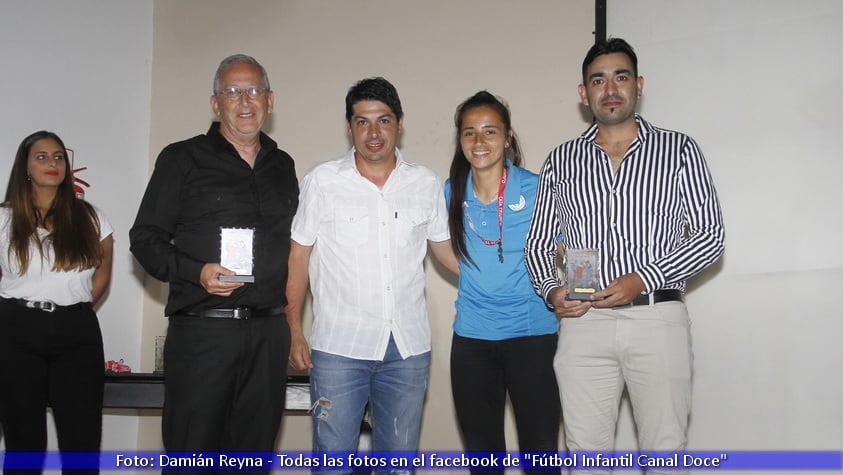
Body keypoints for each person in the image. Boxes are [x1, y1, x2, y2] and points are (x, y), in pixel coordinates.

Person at [525, 38, 725, 474]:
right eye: (598, 80)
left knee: (664, 453)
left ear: (638, 85)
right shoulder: (562, 160)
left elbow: (710, 237)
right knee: (585, 456)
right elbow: (539, 244)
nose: (610, 88)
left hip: (656, 317)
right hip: (584, 322)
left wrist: (643, 277)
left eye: (620, 77)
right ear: (584, 93)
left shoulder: (679, 150)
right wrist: (553, 290)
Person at [129, 54, 298, 465]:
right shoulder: (181, 159)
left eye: (254, 90)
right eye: (232, 91)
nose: (244, 101)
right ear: (215, 103)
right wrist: (195, 272)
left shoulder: (284, 166)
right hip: (203, 334)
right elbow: (145, 239)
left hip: (267, 336)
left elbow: (296, 252)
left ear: (270, 100)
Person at [285, 77, 458, 473]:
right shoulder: (322, 182)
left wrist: (501, 280)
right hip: (338, 349)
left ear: (399, 122)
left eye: (383, 120)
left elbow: (446, 252)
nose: (373, 132)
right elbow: (298, 258)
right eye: (362, 122)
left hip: (407, 351)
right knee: (332, 464)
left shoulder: (425, 183)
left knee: (398, 466)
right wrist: (293, 328)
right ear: (349, 126)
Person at [444, 91, 560, 474]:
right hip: (472, 342)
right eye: (470, 133)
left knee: (540, 455)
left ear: (508, 136)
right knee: (483, 459)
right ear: (460, 140)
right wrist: (478, 277)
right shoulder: (449, 192)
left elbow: (566, 250)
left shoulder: (537, 187)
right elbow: (441, 249)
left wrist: (575, 291)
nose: (480, 142)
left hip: (533, 338)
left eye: (490, 131)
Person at [0, 130, 113, 474]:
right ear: (25, 168)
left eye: (59, 157)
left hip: (76, 332)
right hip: (15, 330)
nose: (52, 163)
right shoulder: (4, 218)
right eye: (42, 157)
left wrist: (73, 309)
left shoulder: (91, 217)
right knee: (23, 443)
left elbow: (103, 273)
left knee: (82, 442)